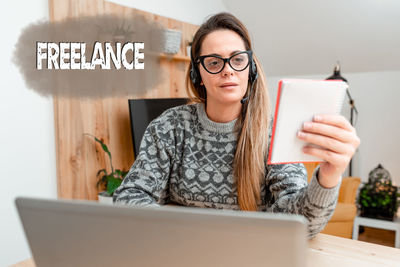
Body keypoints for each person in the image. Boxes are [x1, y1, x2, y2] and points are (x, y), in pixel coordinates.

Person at [113, 12, 360, 238]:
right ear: (197, 74)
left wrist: (329, 175)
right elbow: (129, 197)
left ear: (250, 68)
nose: (228, 70)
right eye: (214, 62)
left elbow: (300, 224)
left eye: (237, 59)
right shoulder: (169, 127)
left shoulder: (272, 134)